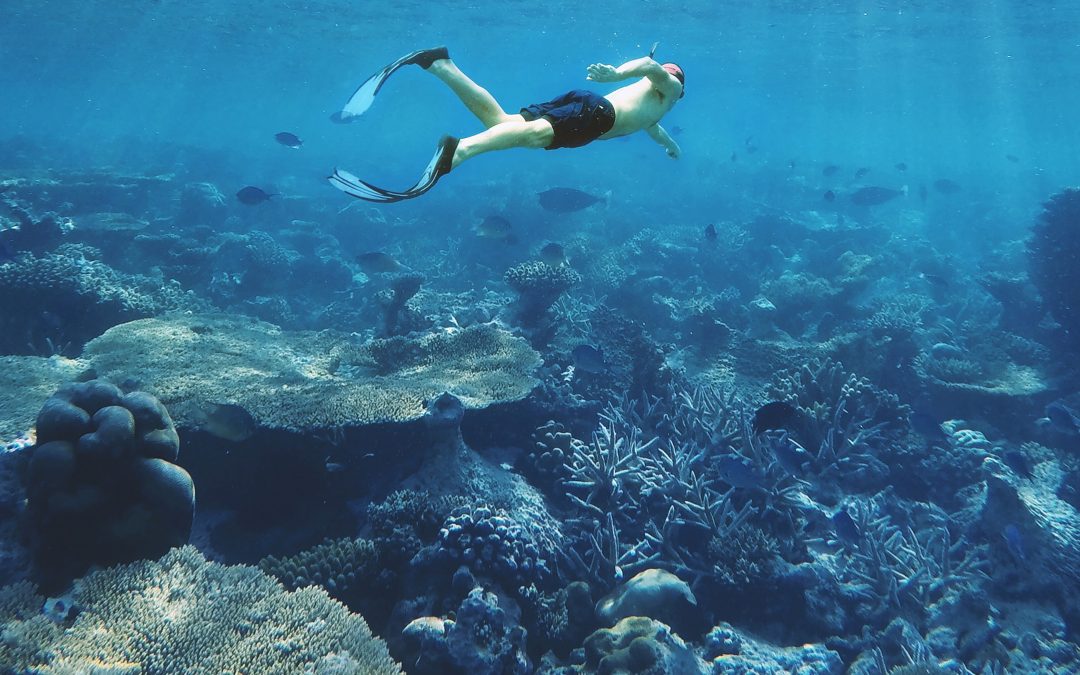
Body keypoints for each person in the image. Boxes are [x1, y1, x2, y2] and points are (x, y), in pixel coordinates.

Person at [328, 47, 684, 203]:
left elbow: (653, 129)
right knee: (532, 137)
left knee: (501, 122)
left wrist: (670, 146)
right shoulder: (671, 87)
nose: (666, 77)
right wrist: (618, 73)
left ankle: (440, 64)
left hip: (589, 104)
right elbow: (651, 68)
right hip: (598, 116)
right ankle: (459, 151)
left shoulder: (656, 111)